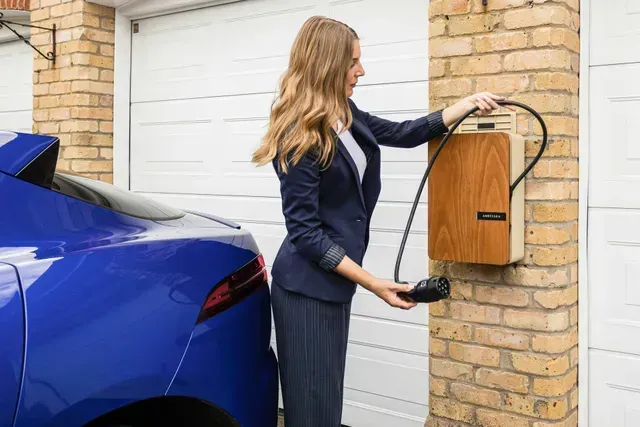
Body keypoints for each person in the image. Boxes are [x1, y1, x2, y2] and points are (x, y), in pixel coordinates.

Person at [251, 15, 506, 427]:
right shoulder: (298, 135)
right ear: (328, 63)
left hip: (331, 287)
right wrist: (373, 282)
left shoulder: (343, 113)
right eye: (353, 61)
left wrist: (463, 106)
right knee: (313, 406)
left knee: (325, 400)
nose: (361, 71)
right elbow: (305, 233)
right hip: (305, 291)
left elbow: (403, 132)